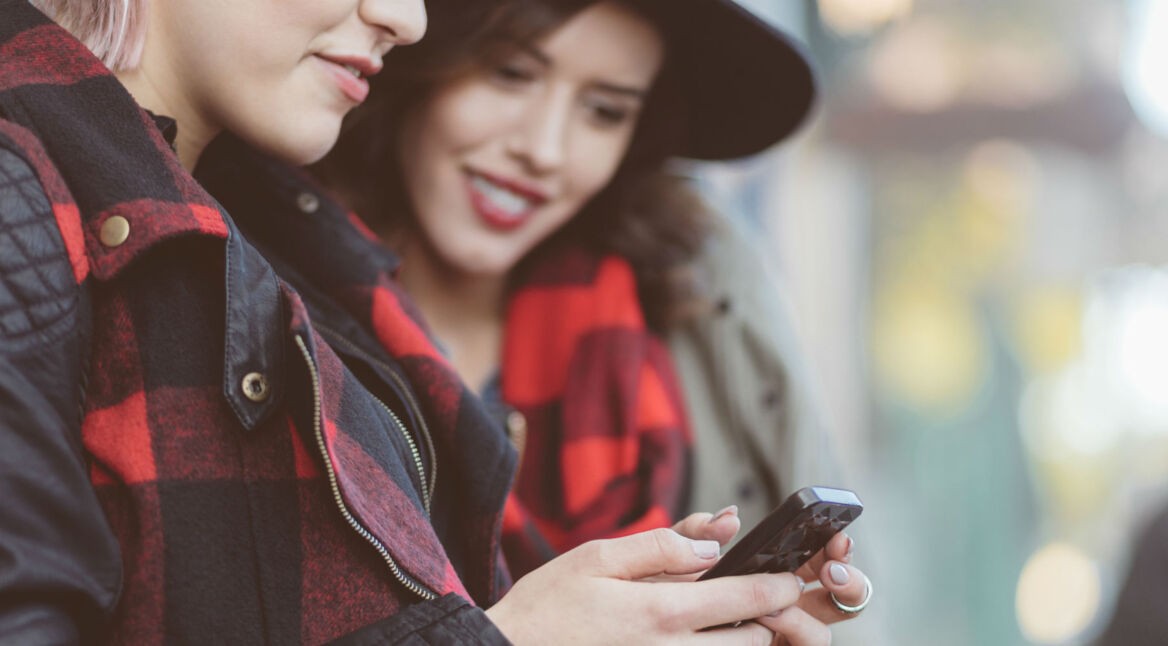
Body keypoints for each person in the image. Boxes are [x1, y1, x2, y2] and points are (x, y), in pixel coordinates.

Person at [0, 0, 871, 643]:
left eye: (606, 109)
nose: (406, 16)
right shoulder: (100, 211)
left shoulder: (293, 254)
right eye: (510, 72)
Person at [312, 0, 830, 568]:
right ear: (417, 56)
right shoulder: (271, 302)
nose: (543, 150)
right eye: (508, 74)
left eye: (605, 111)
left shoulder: (696, 298)